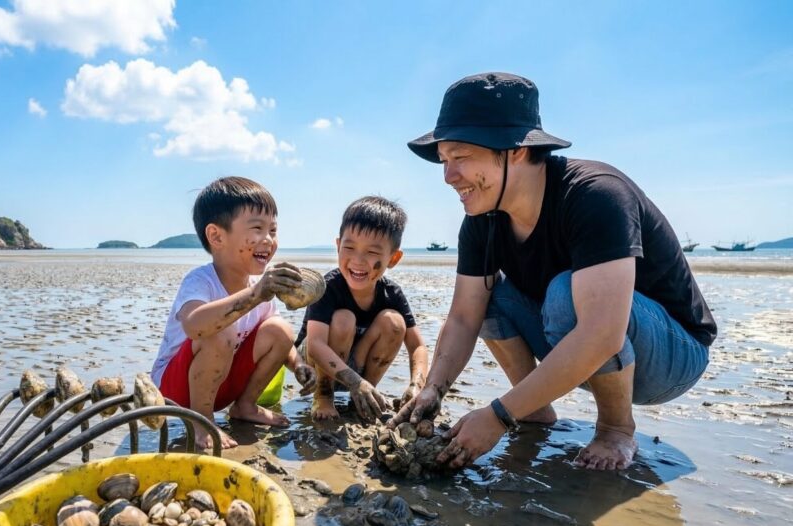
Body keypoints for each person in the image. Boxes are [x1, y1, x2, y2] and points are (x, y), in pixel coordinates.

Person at [390, 72, 715, 470]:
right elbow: (463, 317)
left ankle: (616, 427)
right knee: (491, 296)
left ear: (516, 151)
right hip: (573, 341)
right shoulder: (482, 220)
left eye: (461, 157)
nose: (448, 176)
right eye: (444, 160)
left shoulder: (596, 195)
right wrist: (433, 391)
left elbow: (601, 333)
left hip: (670, 358)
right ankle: (535, 409)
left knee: (565, 292)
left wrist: (497, 416)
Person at [151, 176, 316, 450]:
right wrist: (254, 295)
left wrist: (298, 365)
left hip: (222, 386)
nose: (269, 240)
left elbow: (280, 341)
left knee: (280, 328)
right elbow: (195, 327)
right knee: (220, 328)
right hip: (176, 391)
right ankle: (201, 421)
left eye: (273, 230)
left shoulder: (258, 288)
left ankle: (245, 406)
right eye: (257, 229)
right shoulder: (201, 280)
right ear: (216, 236)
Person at [295, 196, 429, 421]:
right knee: (343, 319)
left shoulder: (391, 293)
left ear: (393, 258)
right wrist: (353, 381)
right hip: (313, 362)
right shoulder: (328, 287)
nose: (358, 260)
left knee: (395, 322)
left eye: (372, 252)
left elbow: (418, 346)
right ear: (338, 246)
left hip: (356, 364)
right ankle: (324, 395)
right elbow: (315, 344)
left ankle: (366, 395)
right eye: (349, 247)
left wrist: (417, 386)